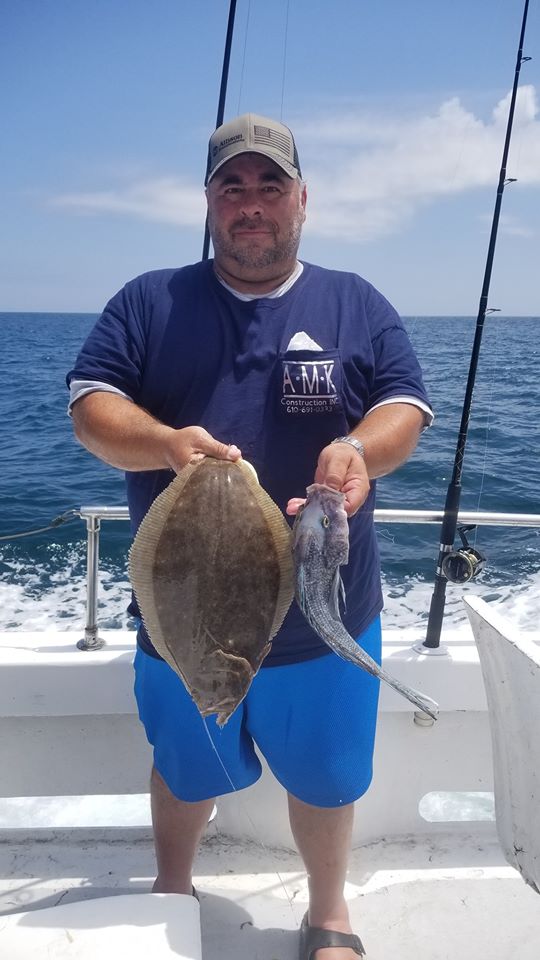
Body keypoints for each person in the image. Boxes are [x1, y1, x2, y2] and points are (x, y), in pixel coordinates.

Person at [67, 112, 432, 960]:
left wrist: (357, 448)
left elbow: (404, 408)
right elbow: (91, 408)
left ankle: (330, 913)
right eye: (232, 186)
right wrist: (166, 443)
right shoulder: (150, 301)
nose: (252, 202)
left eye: (272, 184)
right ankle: (172, 888)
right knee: (186, 764)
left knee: (328, 779)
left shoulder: (355, 301)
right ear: (209, 201)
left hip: (324, 612)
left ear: (303, 199)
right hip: (184, 611)